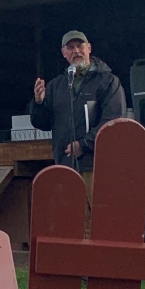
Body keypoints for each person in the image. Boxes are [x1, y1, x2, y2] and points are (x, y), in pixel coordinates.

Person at [30, 30, 126, 200]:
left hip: (97, 166)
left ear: (89, 48)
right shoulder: (55, 86)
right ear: (64, 53)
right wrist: (38, 103)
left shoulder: (108, 81)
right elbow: (42, 124)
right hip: (65, 165)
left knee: (96, 220)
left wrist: (84, 144)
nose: (76, 51)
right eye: (70, 47)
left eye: (80, 46)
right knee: (70, 220)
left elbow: (113, 122)